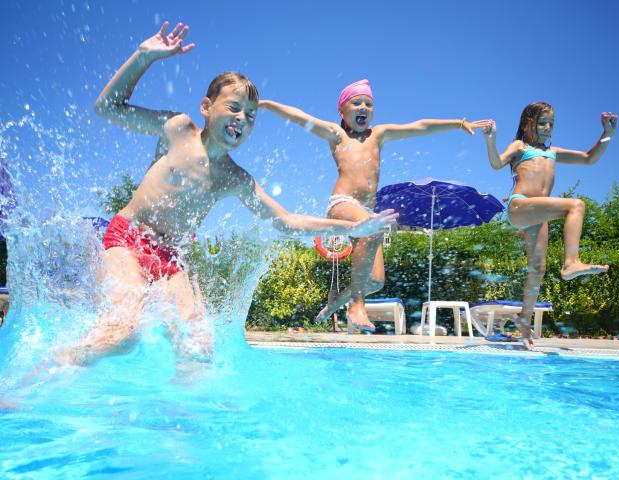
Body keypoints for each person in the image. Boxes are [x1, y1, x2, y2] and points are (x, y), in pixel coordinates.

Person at [57, 23, 397, 365]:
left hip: (173, 260)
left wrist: (352, 229)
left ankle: (185, 415)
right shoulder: (177, 129)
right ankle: (43, 374)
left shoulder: (236, 178)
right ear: (206, 107)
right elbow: (107, 107)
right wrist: (144, 58)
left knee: (198, 348)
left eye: (250, 116)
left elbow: (286, 221)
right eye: (233, 108)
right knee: (123, 334)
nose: (241, 119)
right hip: (129, 239)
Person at [260, 80, 490, 332]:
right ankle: (356, 304)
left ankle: (337, 300)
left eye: (369, 104)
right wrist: (267, 105)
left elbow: (418, 126)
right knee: (372, 231)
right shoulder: (337, 135)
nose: (363, 107)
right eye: (356, 102)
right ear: (342, 111)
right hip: (342, 204)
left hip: (367, 213)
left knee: (375, 281)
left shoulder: (378, 135)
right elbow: (300, 117)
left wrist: (457, 124)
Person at [482, 102, 618, 348]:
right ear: (527, 124)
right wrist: (491, 141)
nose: (547, 127)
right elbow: (495, 163)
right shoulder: (519, 147)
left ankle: (524, 322)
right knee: (575, 205)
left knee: (537, 270)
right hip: (521, 205)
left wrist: (607, 135)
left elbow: (589, 158)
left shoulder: (553, 151)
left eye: (551, 124)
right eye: (542, 122)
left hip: (538, 215)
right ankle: (571, 262)